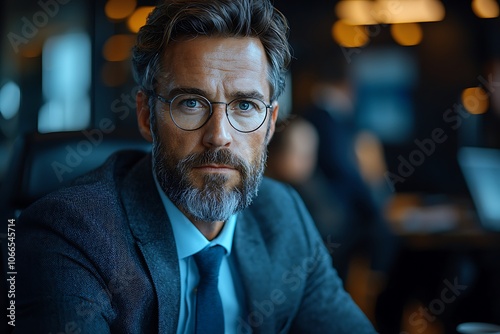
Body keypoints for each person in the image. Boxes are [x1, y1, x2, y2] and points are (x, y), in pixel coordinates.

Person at [15, 0, 377, 333]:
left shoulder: (283, 215)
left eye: (245, 106)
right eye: (191, 102)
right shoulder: (72, 233)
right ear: (146, 115)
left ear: (270, 124)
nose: (218, 136)